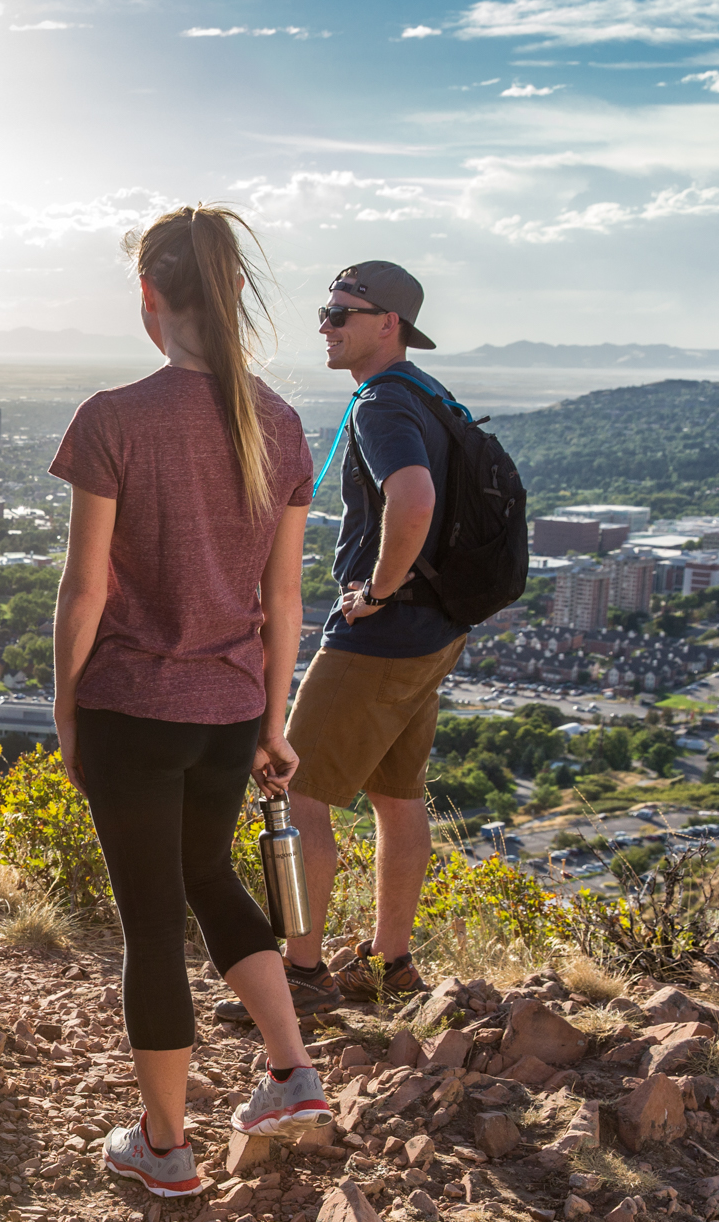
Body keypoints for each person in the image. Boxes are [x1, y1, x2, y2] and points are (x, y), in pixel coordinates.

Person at [50, 205, 332, 1199]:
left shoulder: (114, 418)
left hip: (132, 706)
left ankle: (164, 1146)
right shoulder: (280, 424)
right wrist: (272, 721)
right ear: (235, 294)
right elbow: (285, 599)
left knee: (152, 922)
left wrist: (67, 707)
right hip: (230, 709)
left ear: (148, 295)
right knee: (209, 876)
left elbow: (84, 589)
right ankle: (291, 1072)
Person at [221, 261, 469, 1023]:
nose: (324, 326)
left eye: (340, 313)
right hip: (436, 629)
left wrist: (380, 590)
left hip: (380, 637)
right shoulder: (432, 396)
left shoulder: (382, 402)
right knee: (397, 796)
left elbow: (413, 499)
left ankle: (301, 972)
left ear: (387, 323)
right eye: (326, 312)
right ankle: (390, 963)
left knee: (295, 790)